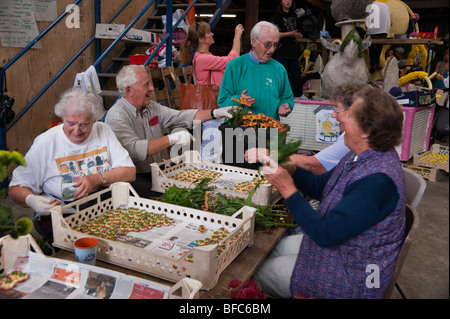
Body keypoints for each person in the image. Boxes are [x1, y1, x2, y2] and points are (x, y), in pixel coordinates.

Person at [252, 84, 406, 299]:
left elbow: (325, 234)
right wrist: (293, 170)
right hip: (347, 250)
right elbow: (323, 186)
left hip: (351, 278)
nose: (338, 118)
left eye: (349, 115)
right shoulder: (362, 155)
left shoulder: (378, 182)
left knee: (255, 272)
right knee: (265, 251)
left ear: (367, 131)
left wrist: (287, 188)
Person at [8, 87, 136, 243]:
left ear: (95, 120)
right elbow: (15, 188)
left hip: (103, 207)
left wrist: (96, 179)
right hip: (63, 213)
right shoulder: (47, 142)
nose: (76, 131)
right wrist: (31, 200)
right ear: (62, 117)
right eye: (71, 123)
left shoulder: (104, 131)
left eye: (84, 125)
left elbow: (129, 172)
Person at [104, 65, 233, 198]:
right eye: (146, 85)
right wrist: (172, 139)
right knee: (163, 199)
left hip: (156, 170)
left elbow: (180, 117)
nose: (152, 88)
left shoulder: (150, 107)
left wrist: (215, 113)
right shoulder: (116, 116)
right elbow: (135, 150)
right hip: (134, 178)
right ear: (129, 90)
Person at [180, 21, 244, 162]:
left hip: (214, 109)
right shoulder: (203, 58)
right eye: (209, 32)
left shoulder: (205, 56)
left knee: (216, 149)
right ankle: (201, 177)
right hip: (210, 109)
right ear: (202, 39)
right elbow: (231, 60)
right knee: (210, 151)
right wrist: (237, 37)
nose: (212, 34)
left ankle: (208, 177)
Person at [217, 21, 294, 121]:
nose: (272, 50)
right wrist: (238, 100)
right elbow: (222, 101)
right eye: (267, 44)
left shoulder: (279, 69)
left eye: (275, 45)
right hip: (238, 130)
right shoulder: (235, 66)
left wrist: (284, 105)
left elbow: (287, 98)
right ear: (253, 42)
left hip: (269, 131)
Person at [272, 0, 305, 100]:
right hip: (281, 52)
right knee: (280, 77)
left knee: (295, 75)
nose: (288, 2)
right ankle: (277, 96)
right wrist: (290, 34)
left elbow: (298, 30)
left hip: (293, 51)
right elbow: (275, 34)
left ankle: (298, 95)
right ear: (281, 2)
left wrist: (299, 35)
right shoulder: (277, 16)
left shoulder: (295, 15)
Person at [365, 0, 392, 73]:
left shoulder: (368, 6)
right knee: (379, 47)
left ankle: (373, 63)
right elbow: (391, 22)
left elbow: (367, 24)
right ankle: (376, 62)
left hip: (372, 33)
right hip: (384, 32)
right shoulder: (386, 6)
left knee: (371, 48)